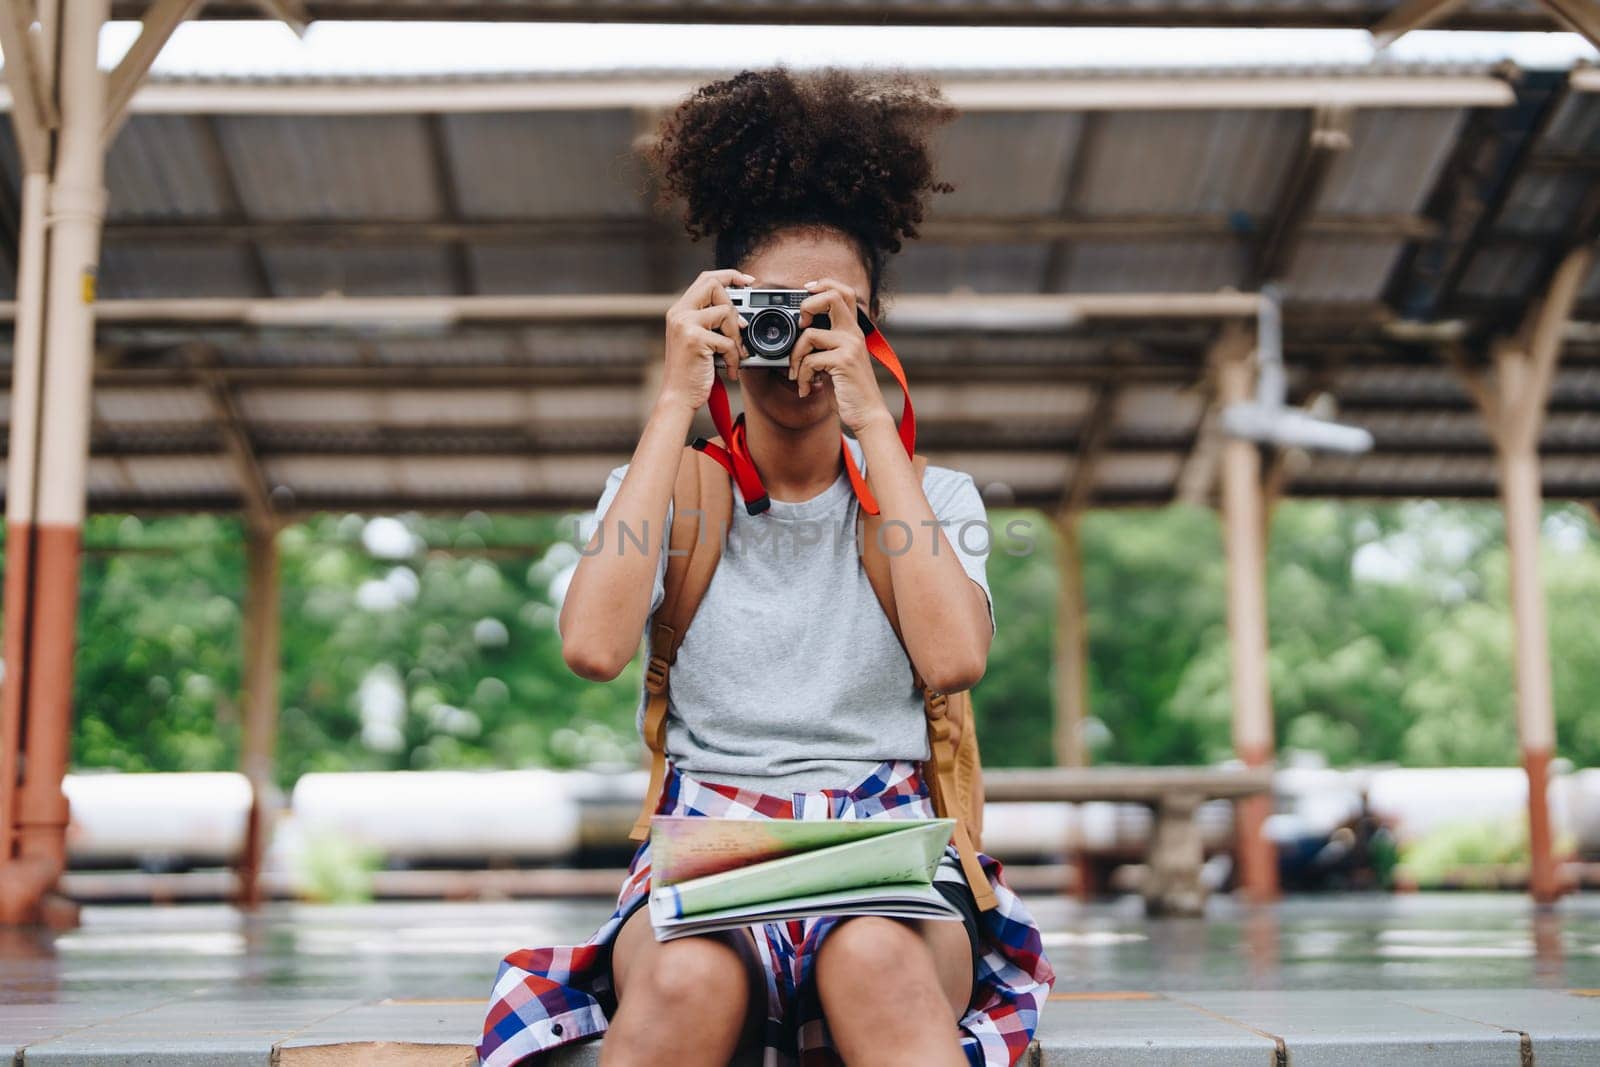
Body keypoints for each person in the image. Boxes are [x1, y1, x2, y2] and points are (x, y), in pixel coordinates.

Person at [477, 65, 1055, 1067]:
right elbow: (591, 646)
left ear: (870, 330)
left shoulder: (930, 494)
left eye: (833, 316)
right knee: (693, 975)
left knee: (873, 958)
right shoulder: (667, 488)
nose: (796, 345)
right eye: (771, 313)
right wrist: (672, 403)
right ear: (722, 317)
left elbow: (956, 659)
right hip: (711, 845)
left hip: (889, 847)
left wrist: (871, 414)